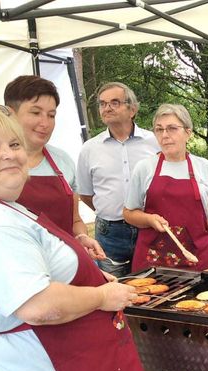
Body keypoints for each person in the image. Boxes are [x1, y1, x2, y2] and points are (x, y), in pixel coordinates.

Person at [0, 107, 154, 371]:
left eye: (14, 144)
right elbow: (38, 305)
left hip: (72, 366)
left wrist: (85, 273)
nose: (9, 154)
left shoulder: (8, 207)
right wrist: (101, 297)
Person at [124, 103, 208, 273]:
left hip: (197, 259)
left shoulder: (202, 167)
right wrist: (149, 219)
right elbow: (128, 213)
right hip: (152, 262)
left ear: (188, 133)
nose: (165, 135)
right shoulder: (144, 168)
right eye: (159, 130)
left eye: (172, 128)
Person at [4, 75, 104, 259]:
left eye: (51, 115)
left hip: (66, 266)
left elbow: (75, 220)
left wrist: (81, 237)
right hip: (16, 270)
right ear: (10, 113)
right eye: (35, 113)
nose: (45, 123)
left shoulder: (63, 161)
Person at [77, 82, 159, 277]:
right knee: (114, 288)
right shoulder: (90, 149)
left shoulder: (155, 143)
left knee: (151, 286)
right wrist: (108, 208)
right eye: (103, 104)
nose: (107, 108)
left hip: (148, 227)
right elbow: (86, 193)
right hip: (109, 232)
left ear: (132, 109)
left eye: (115, 102)